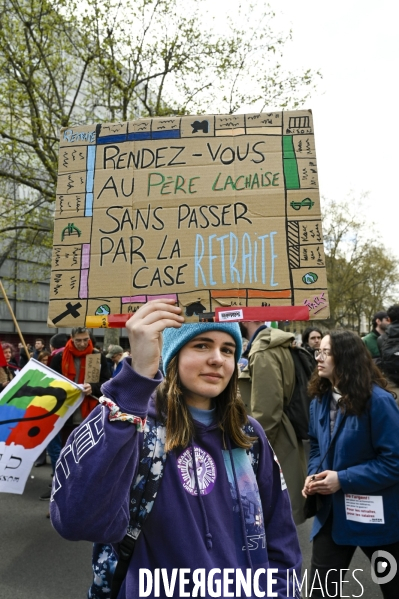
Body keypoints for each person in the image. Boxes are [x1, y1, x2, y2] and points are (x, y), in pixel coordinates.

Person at [51, 300, 301, 598]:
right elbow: (75, 519)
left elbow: (281, 538)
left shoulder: (248, 434)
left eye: (228, 349)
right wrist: (135, 381)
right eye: (201, 345)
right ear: (172, 353)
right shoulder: (131, 422)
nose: (217, 359)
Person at [302, 330, 399, 599]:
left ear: (346, 358)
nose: (318, 357)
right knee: (320, 592)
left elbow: (394, 462)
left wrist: (342, 479)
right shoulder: (319, 399)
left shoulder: (378, 401)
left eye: (326, 352)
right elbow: (315, 445)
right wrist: (313, 475)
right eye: (317, 351)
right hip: (333, 517)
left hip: (377, 521)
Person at [238, 321, 307, 525]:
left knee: (272, 518)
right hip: (282, 436)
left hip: (273, 442)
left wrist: (251, 450)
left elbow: (266, 412)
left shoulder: (262, 350)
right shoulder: (276, 342)